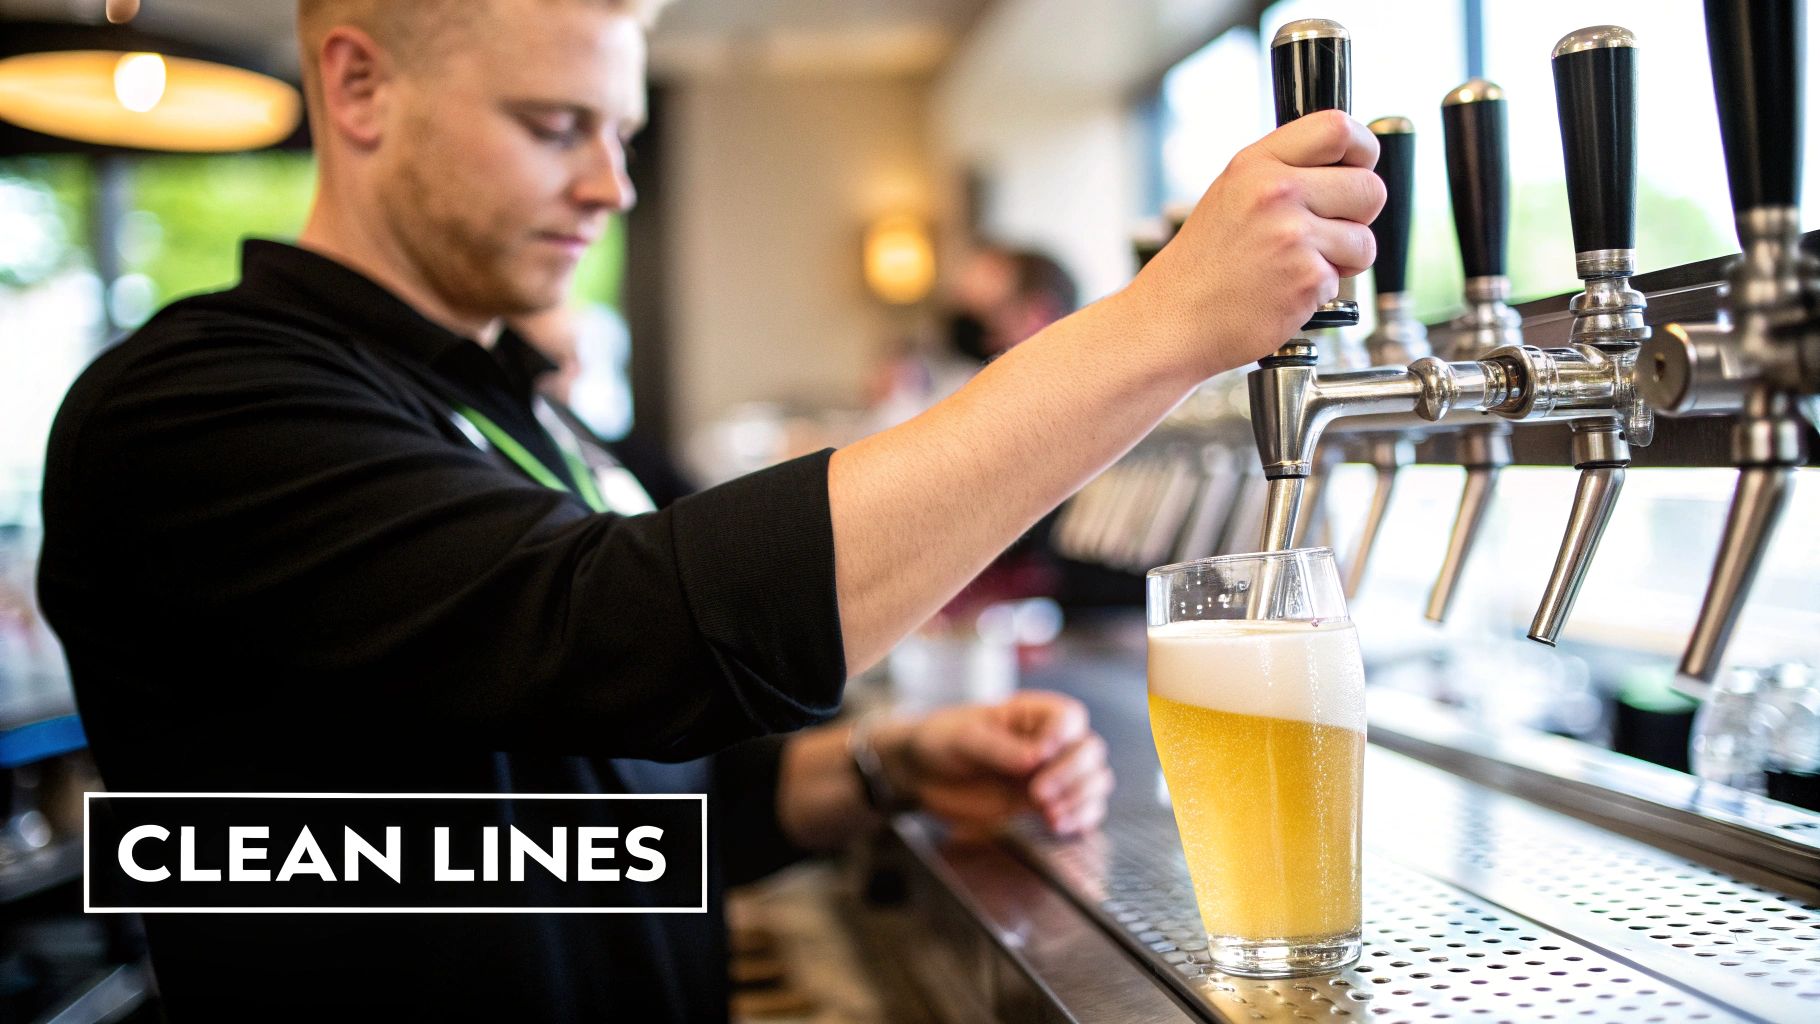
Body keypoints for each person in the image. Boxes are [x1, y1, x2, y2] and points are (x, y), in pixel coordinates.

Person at [34, 0, 1382, 1020]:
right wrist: (1158, 329)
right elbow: (630, 641)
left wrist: (874, 771)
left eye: (620, 135)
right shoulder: (198, 408)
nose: (612, 187)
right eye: (556, 126)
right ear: (359, 81)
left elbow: (570, 804)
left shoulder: (528, 413)